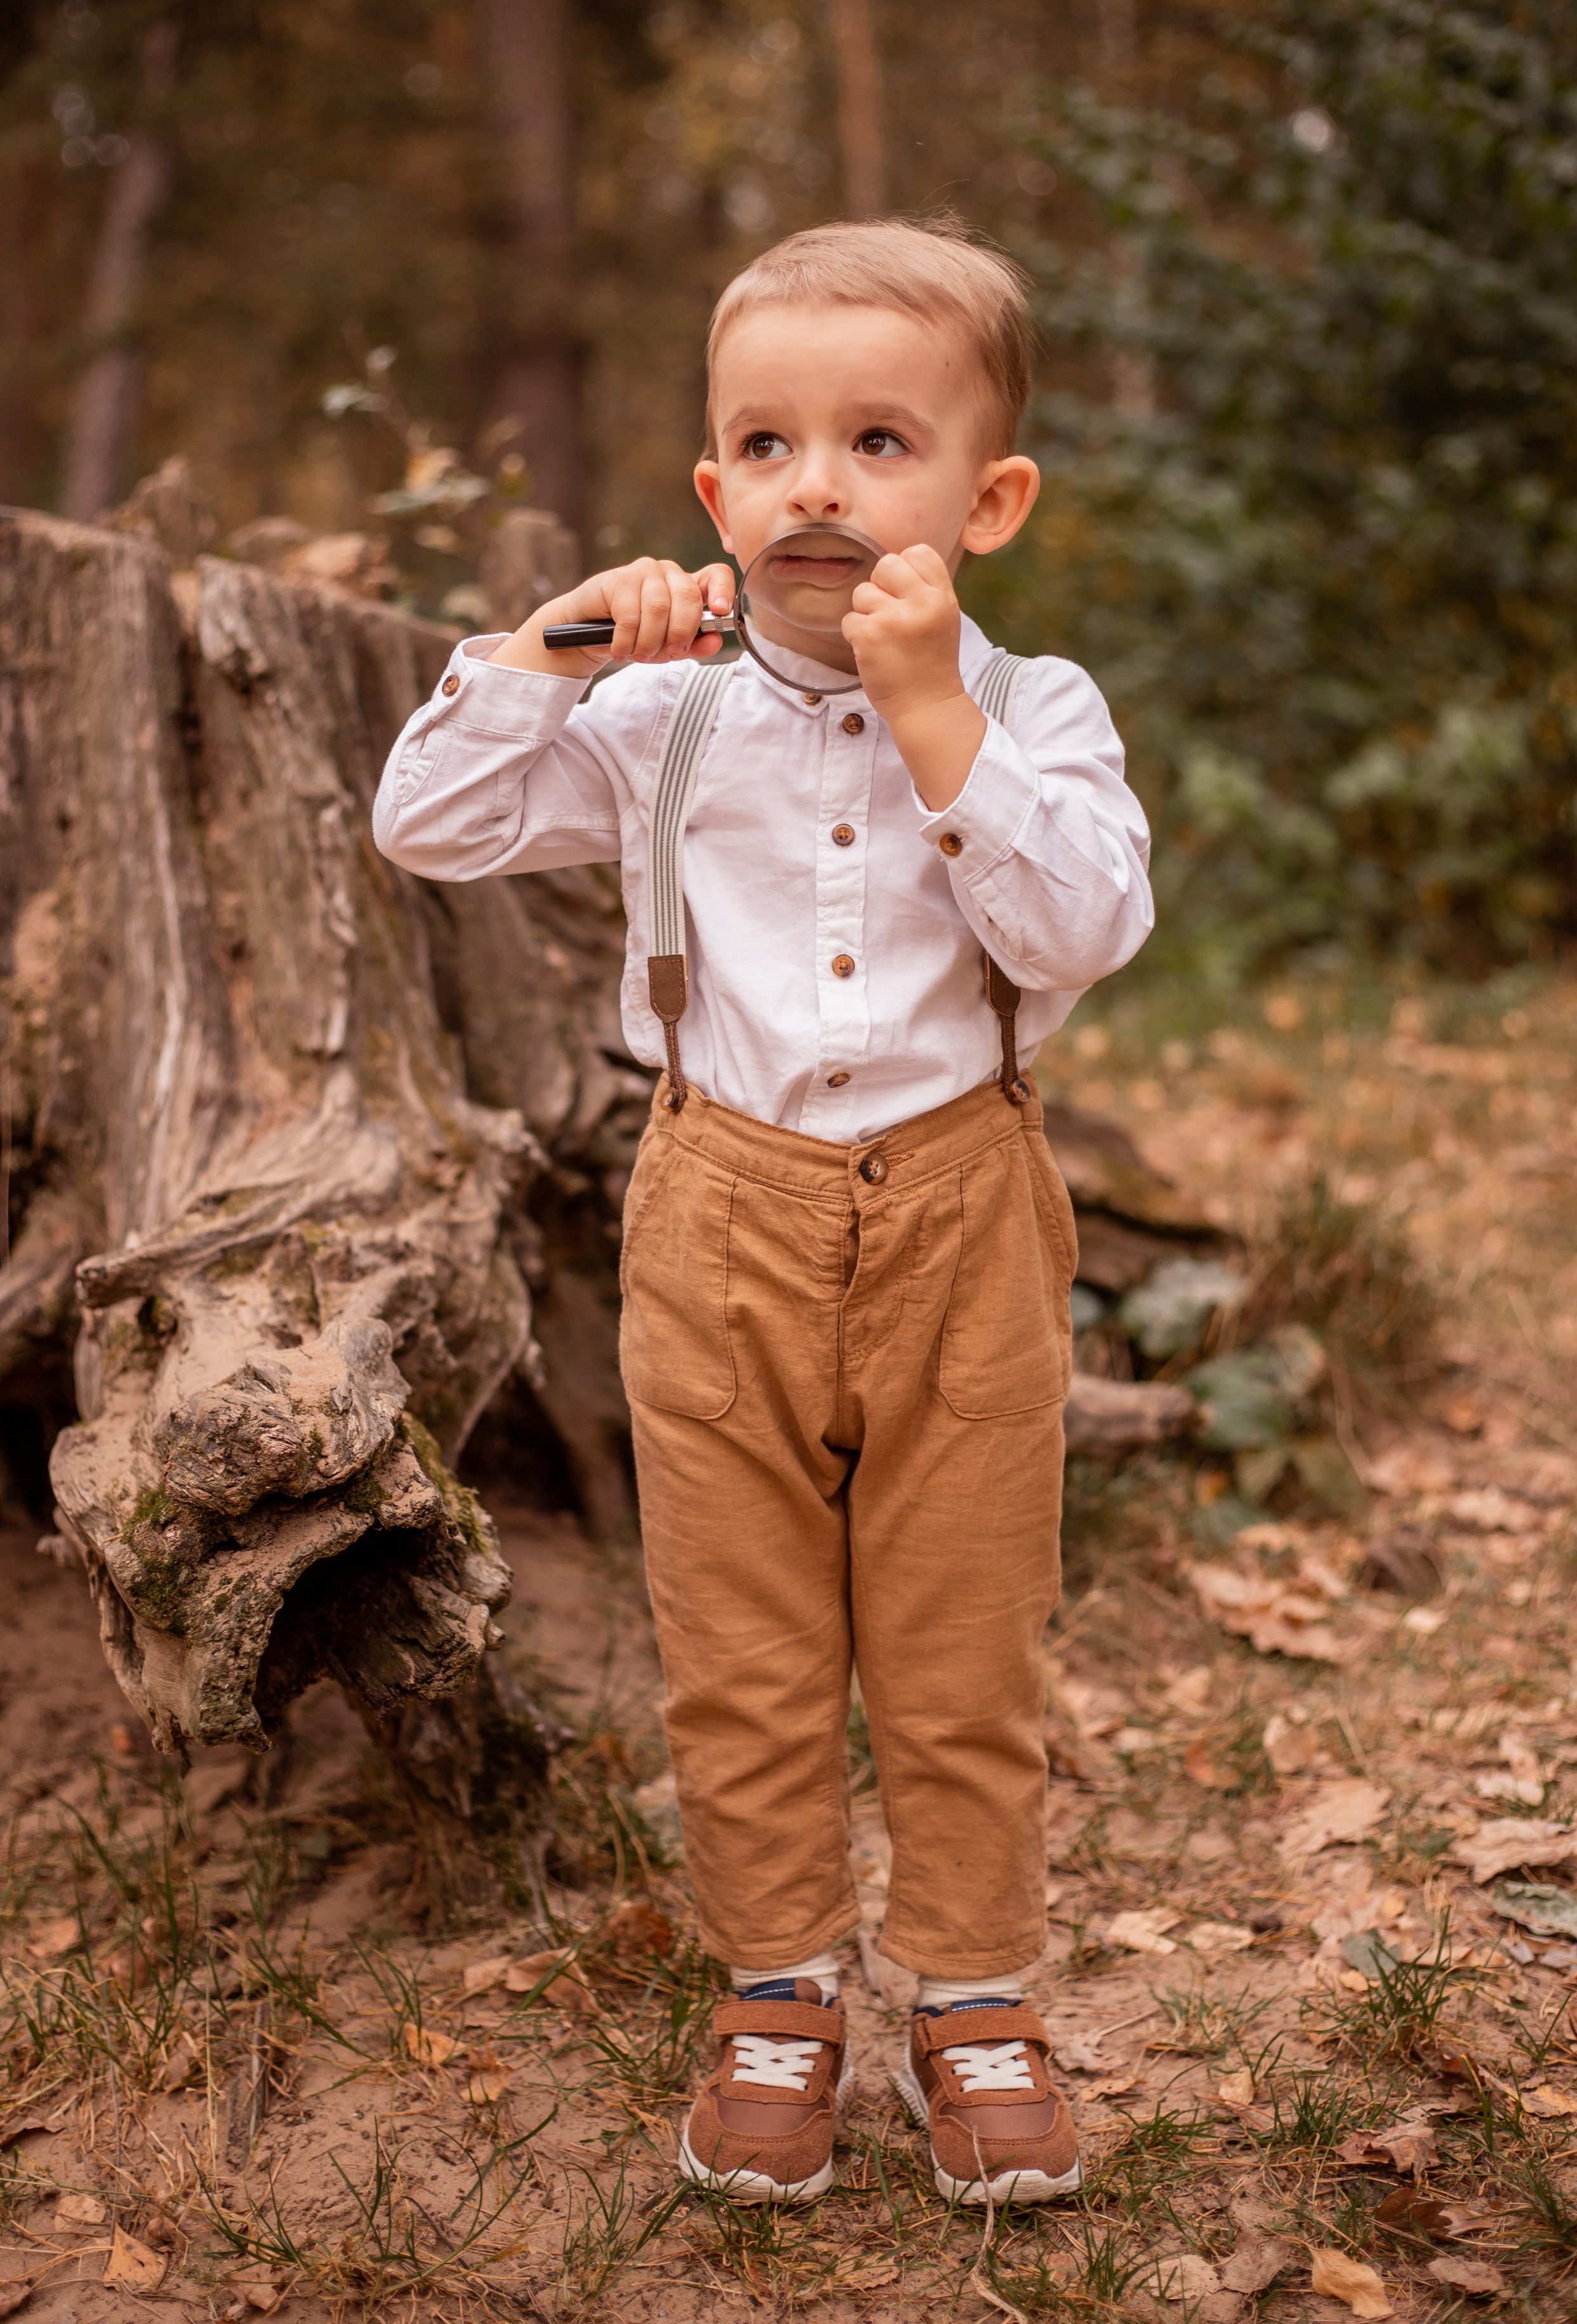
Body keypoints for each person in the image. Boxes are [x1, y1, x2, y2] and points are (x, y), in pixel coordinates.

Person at [373, 216, 1153, 2210]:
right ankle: (779, 1986)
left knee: (964, 1640)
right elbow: (429, 822)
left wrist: (933, 713)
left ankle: (974, 1994)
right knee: (741, 1640)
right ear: (715, 497)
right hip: (719, 1210)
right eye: (768, 445)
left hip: (966, 1212)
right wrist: (561, 646)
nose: (819, 486)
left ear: (988, 502)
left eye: (879, 443)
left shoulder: (1039, 710)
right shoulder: (667, 720)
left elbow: (1082, 925)